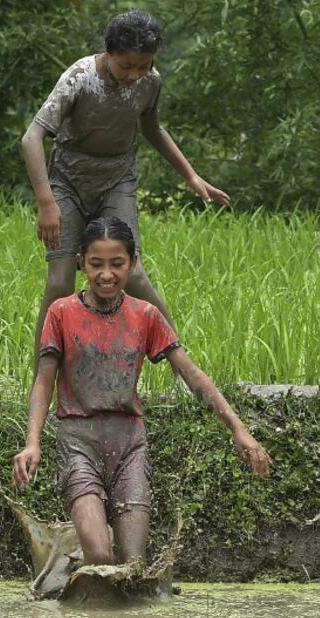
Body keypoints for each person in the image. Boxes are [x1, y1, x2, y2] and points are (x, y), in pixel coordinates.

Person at [12, 217, 270, 566]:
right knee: (102, 556)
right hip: (78, 440)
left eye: (117, 264)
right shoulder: (61, 313)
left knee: (133, 564)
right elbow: (43, 382)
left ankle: (81, 574)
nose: (106, 274)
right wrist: (33, 442)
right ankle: (74, 563)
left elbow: (190, 372)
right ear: (81, 263)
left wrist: (239, 429)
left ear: (132, 264)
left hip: (129, 443)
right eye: (96, 264)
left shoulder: (145, 315)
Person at [21, 9, 229, 367]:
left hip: (117, 178)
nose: (134, 75)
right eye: (125, 66)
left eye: (143, 66)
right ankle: (45, 371)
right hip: (68, 180)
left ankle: (180, 363)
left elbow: (153, 129)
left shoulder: (151, 82)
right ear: (108, 52)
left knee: (132, 273)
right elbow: (32, 137)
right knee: (59, 283)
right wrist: (46, 202)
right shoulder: (80, 77)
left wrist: (191, 176)